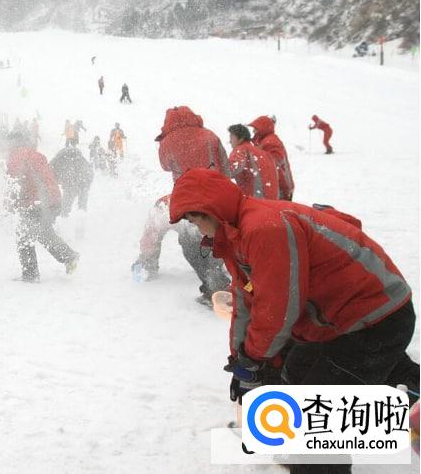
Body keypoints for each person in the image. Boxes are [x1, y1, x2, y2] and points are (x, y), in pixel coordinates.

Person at [169, 168, 418, 474]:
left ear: (210, 211)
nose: (197, 229)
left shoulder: (263, 228)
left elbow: (278, 308)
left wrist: (254, 359)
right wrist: (240, 360)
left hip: (375, 316)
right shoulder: (238, 234)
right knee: (296, 370)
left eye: (194, 221)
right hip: (341, 320)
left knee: (315, 412)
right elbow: (247, 300)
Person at [6, 132, 79, 282]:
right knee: (41, 232)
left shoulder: (16, 158)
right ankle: (69, 257)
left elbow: (14, 184)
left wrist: (8, 204)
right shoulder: (34, 154)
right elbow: (46, 176)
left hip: (36, 201)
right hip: (47, 199)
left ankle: (31, 274)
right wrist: (53, 197)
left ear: (12, 143)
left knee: (24, 235)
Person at [130, 195, 230, 302]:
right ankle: (221, 278)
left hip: (195, 222)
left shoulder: (159, 211)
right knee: (212, 247)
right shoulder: (173, 202)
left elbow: (149, 241)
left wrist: (144, 260)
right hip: (207, 215)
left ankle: (217, 290)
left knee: (195, 246)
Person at [155, 106, 229, 181]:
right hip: (216, 183)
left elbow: (165, 166)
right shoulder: (209, 135)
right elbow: (223, 161)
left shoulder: (166, 143)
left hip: (186, 187)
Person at [227, 124, 279, 199]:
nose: (230, 141)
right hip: (272, 201)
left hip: (254, 200)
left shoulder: (242, 149)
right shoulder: (263, 153)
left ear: (241, 138)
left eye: (231, 137)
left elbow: (231, 169)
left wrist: (214, 170)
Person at [248, 115, 295, 200]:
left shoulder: (271, 142)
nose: (253, 131)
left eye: (255, 128)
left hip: (281, 187)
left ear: (262, 129)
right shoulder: (263, 140)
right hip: (277, 186)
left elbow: (273, 166)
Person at [49, 146, 94, 217]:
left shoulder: (56, 163)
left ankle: (66, 220)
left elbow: (50, 178)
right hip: (86, 176)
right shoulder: (76, 159)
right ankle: (82, 220)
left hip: (75, 179)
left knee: (66, 206)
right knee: (82, 204)